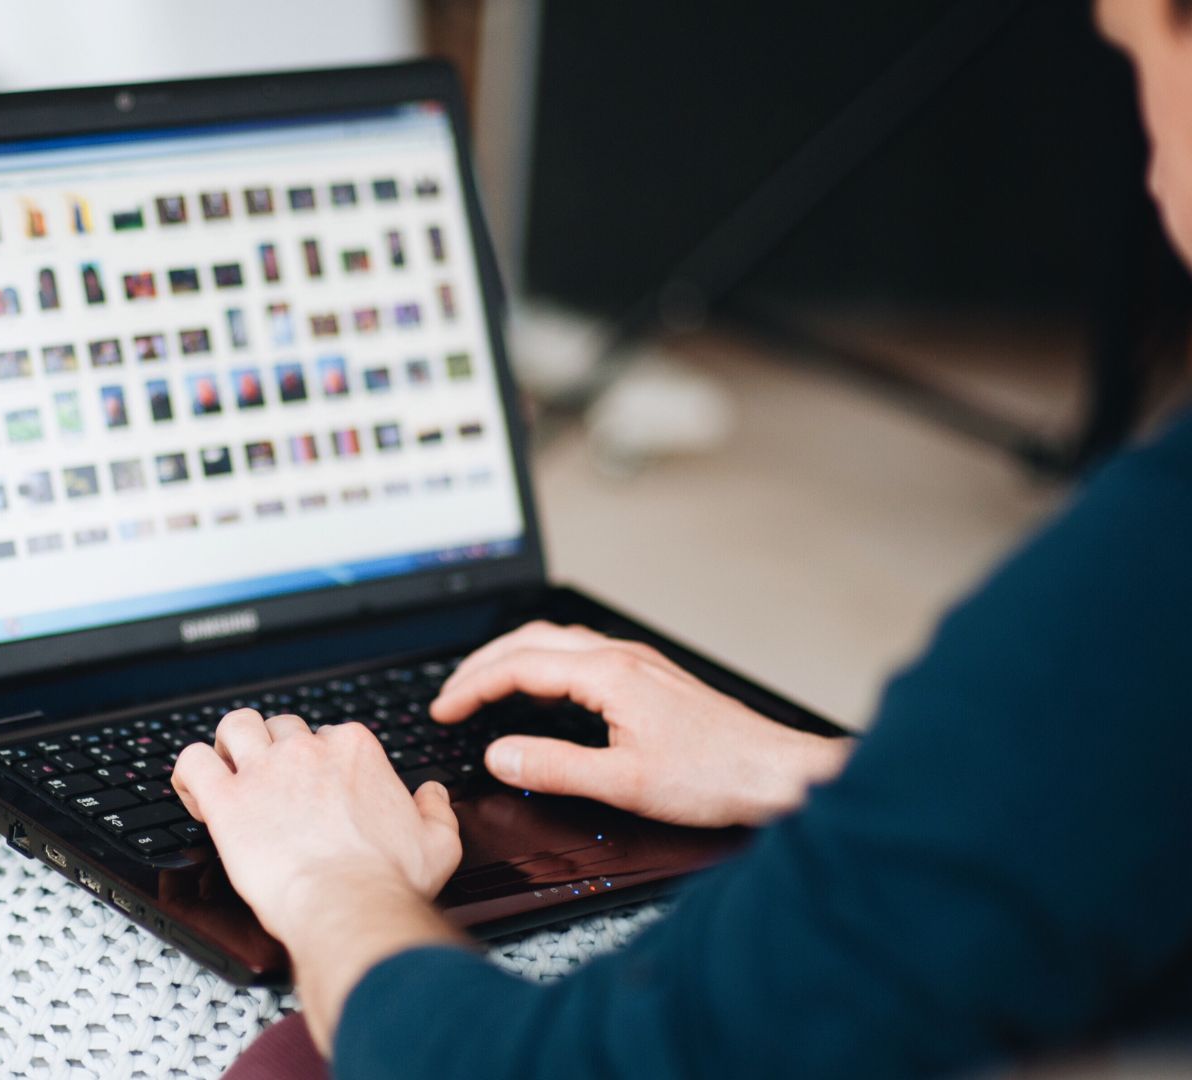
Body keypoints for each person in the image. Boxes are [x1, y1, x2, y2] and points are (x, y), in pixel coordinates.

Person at [178, 1, 1192, 1076]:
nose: (1146, 146)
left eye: (1136, 57)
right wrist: (807, 772)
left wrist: (331, 881)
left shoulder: (1149, 566)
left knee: (294, 1056)